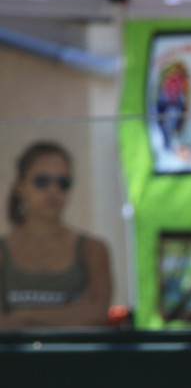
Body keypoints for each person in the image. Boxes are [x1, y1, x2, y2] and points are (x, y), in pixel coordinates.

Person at [1, 141, 112, 329]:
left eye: (63, 183)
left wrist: (24, 315)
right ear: (20, 187)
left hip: (74, 349)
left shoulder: (92, 249)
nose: (54, 191)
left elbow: (97, 313)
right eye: (42, 181)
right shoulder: (3, 251)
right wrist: (68, 316)